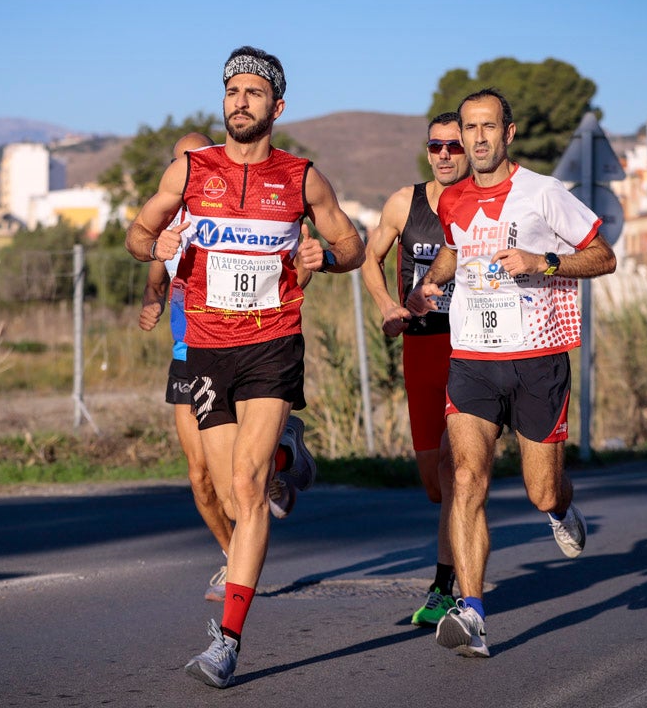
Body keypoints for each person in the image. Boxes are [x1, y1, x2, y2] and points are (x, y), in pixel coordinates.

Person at [126, 45, 365, 688]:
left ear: (276, 107)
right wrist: (157, 243)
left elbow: (352, 245)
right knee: (227, 484)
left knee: (249, 486)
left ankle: (227, 640)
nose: (240, 101)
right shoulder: (189, 171)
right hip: (205, 348)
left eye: (254, 93)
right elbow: (136, 233)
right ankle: (290, 447)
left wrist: (327, 260)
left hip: (272, 343)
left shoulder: (302, 176)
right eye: (232, 91)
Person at [405, 88, 616, 658]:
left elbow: (603, 255)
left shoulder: (544, 194)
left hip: (537, 359)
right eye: (469, 128)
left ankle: (562, 508)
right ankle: (471, 612)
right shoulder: (452, 199)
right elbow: (454, 247)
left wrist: (543, 261)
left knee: (539, 490)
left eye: (487, 127)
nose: (475, 138)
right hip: (472, 357)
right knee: (467, 479)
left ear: (508, 133)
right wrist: (432, 282)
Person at [138, 131, 319, 603]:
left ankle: (276, 461)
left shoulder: (230, 207)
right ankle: (232, 551)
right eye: (185, 160)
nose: (195, 167)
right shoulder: (170, 216)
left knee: (244, 474)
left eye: (200, 158)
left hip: (251, 344)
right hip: (190, 351)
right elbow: (156, 272)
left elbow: (276, 265)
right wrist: (151, 303)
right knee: (202, 478)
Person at [359, 111, 469, 627]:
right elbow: (368, 257)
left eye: (454, 146)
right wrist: (387, 306)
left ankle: (448, 586)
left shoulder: (485, 204)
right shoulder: (406, 203)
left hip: (474, 350)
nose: (445, 155)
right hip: (422, 348)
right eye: (436, 146)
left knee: (458, 472)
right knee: (433, 483)